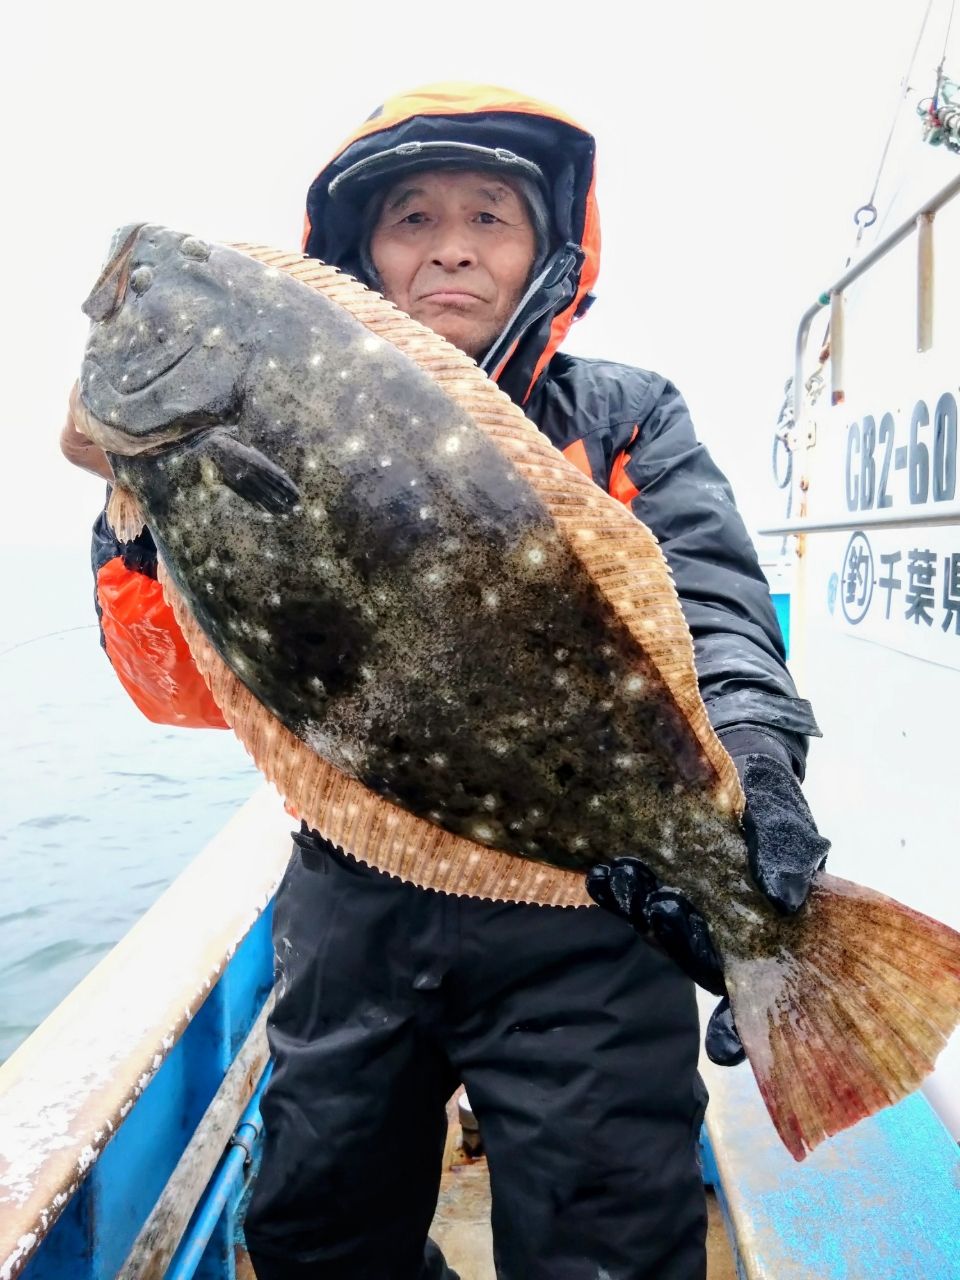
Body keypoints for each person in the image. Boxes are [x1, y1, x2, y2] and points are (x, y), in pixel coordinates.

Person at [61, 83, 828, 1280]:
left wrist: (758, 764)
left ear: (549, 248)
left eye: (490, 216)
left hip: (592, 909)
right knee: (316, 1234)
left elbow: (716, 614)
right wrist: (135, 509)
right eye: (413, 218)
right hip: (354, 898)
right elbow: (186, 688)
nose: (452, 246)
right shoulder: (215, 445)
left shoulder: (621, 416)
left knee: (608, 1247)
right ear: (360, 252)